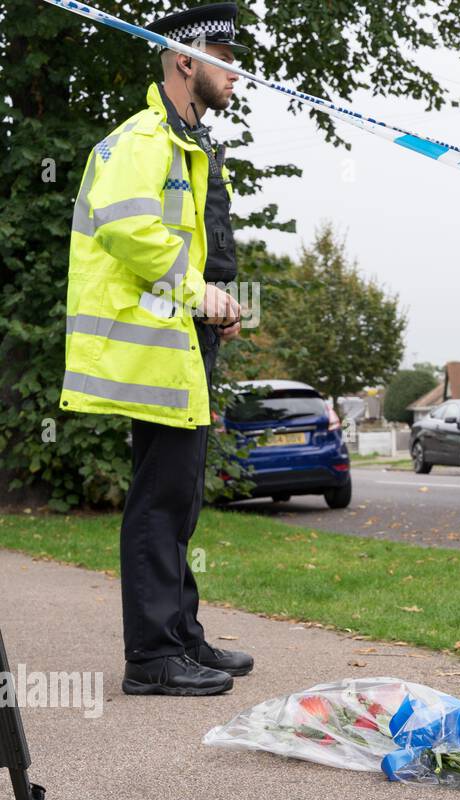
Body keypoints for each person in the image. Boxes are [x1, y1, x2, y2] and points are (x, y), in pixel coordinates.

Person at [61, 3, 255, 695]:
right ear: (185, 61)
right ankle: (150, 658)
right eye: (225, 57)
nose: (237, 71)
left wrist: (218, 305)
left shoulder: (188, 144)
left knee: (177, 497)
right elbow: (126, 225)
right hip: (151, 346)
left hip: (183, 340)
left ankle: (182, 637)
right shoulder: (143, 138)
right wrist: (193, 290)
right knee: (160, 500)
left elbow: (198, 244)